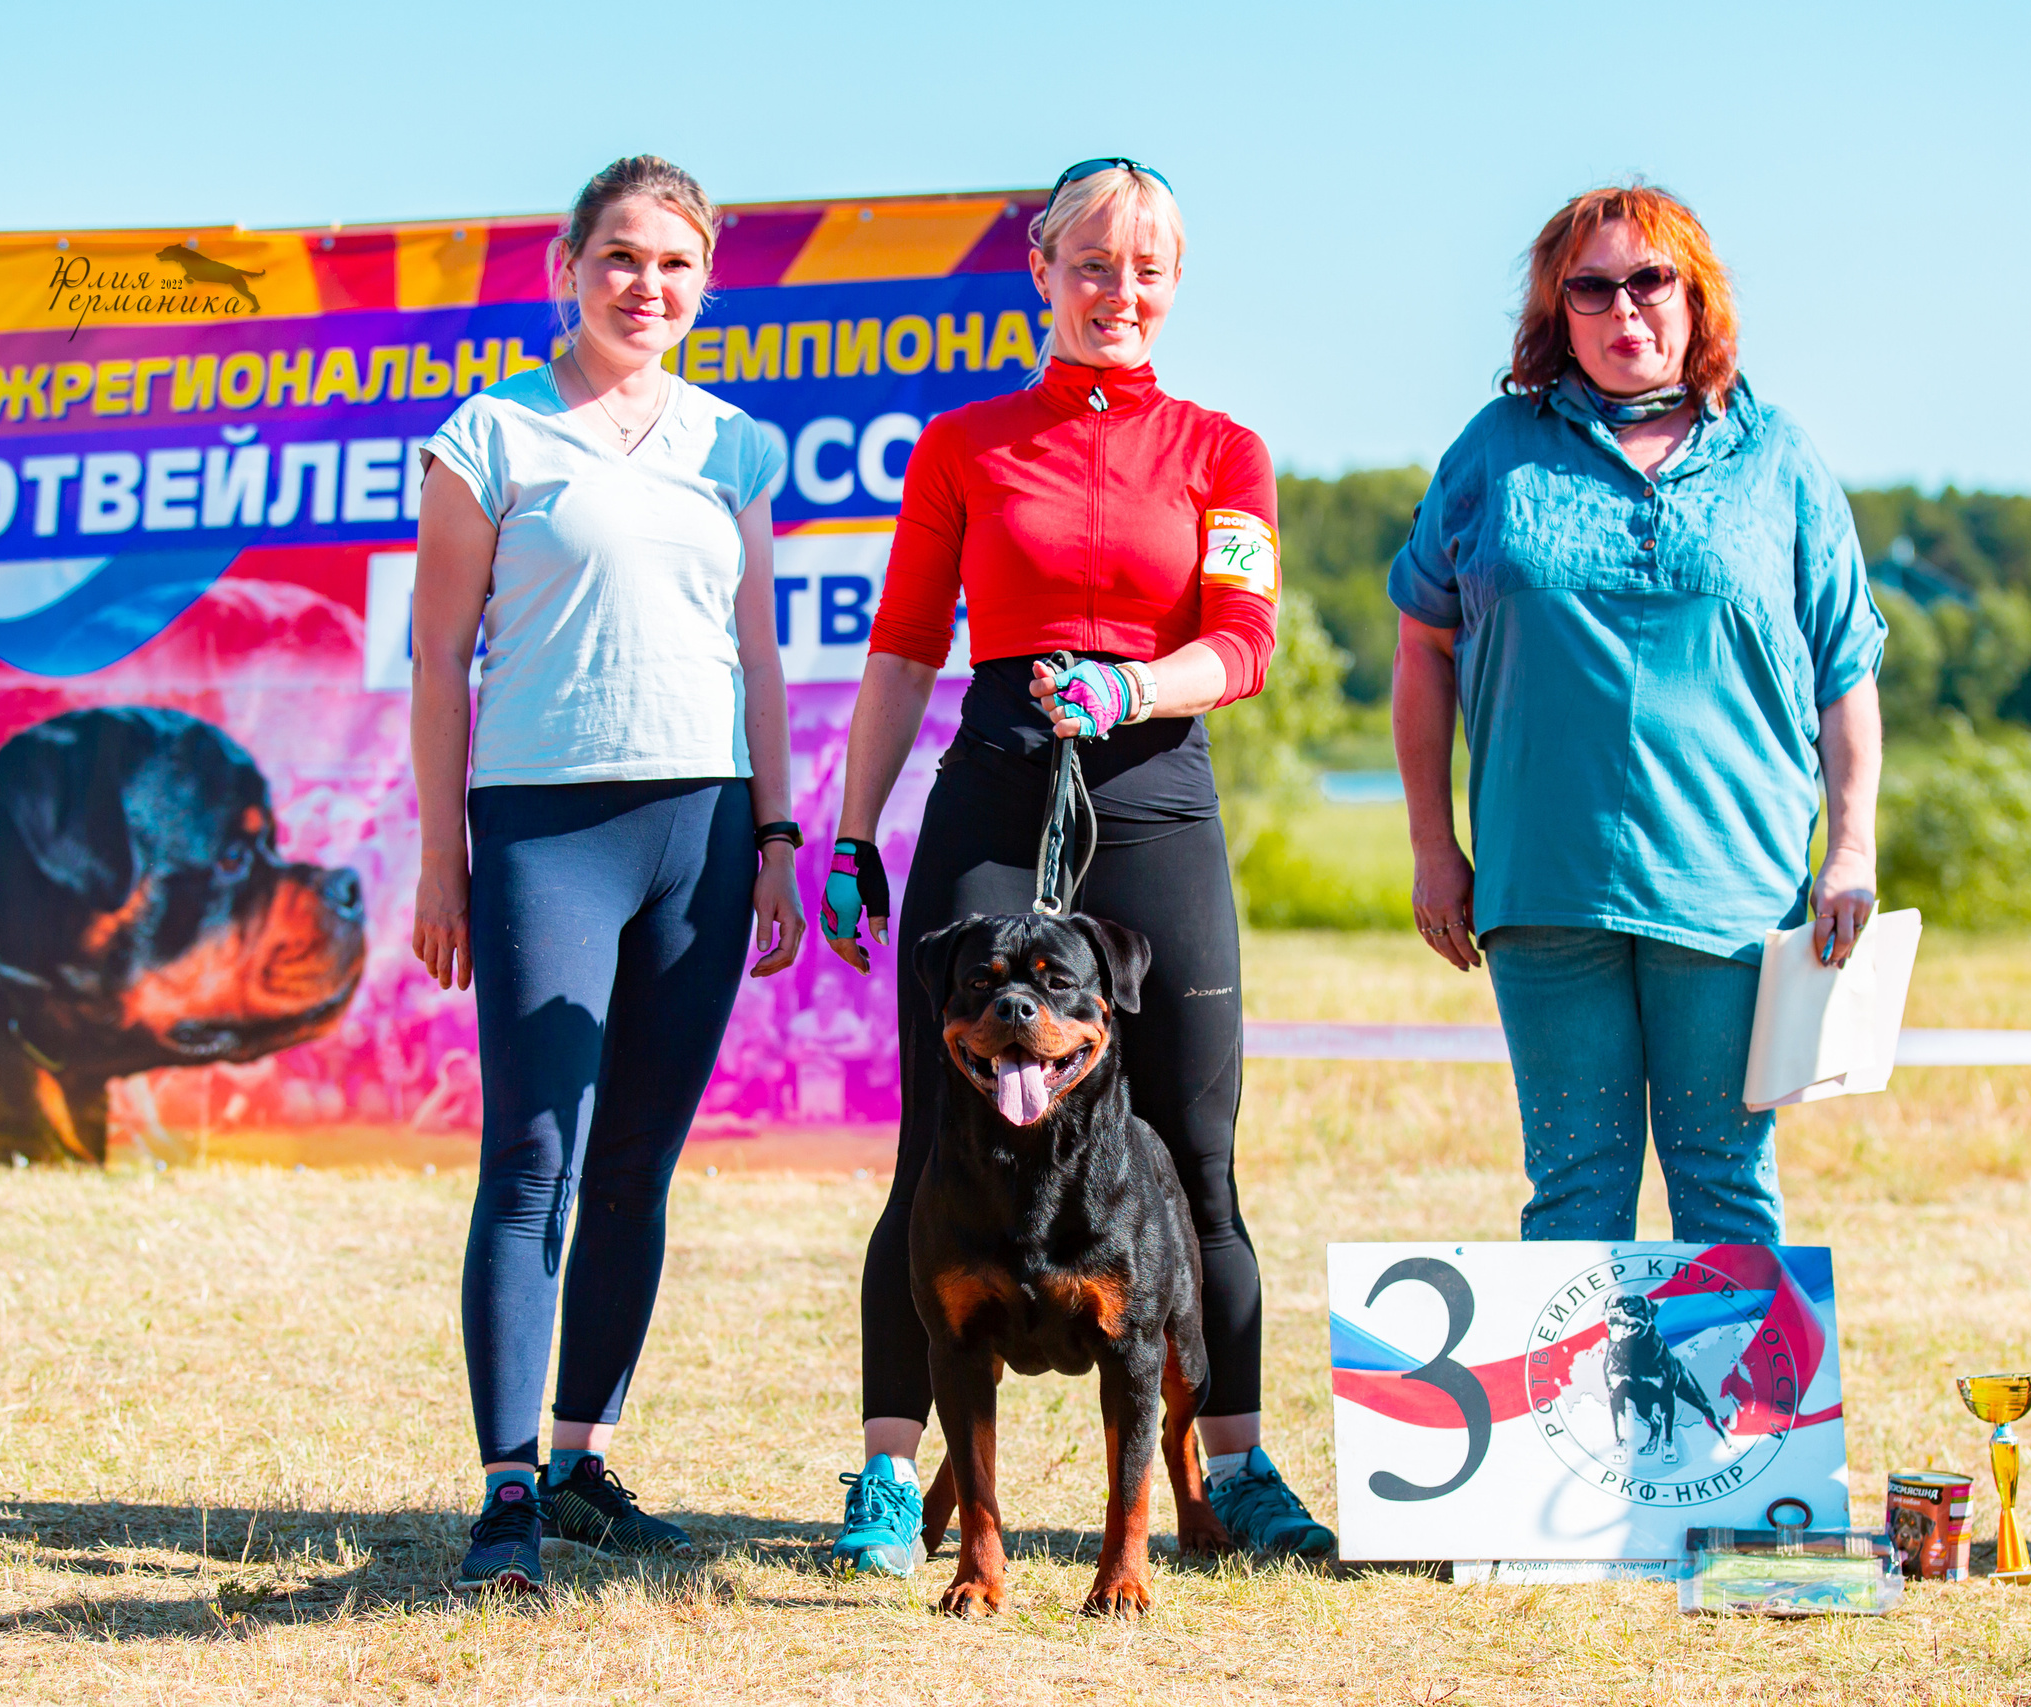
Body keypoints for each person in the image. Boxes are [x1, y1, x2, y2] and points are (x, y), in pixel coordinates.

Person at [816, 159, 1337, 1574]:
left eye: (1147, 267)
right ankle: (884, 1471)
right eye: (1091, 263)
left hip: (1154, 787)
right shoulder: (966, 442)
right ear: (1039, 269)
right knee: (937, 1145)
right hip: (994, 784)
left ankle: (1238, 1464)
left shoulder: (1223, 450)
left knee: (1199, 1158)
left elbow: (1245, 641)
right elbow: (905, 647)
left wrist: (1135, 689)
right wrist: (855, 831)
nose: (1119, 291)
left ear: (1175, 284)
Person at [410, 154, 805, 1593]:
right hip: (541, 831)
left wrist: (772, 834)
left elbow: (759, 654)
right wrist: (443, 853)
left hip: (700, 834)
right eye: (622, 257)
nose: (649, 286)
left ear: (707, 285)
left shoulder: (737, 451)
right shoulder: (490, 438)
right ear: (567, 267)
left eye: (677, 265)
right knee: (532, 1161)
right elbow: (439, 659)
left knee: (636, 1162)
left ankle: (581, 1460)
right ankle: (505, 1483)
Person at [1388, 183, 1885, 1246]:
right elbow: (1422, 646)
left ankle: (1742, 1422)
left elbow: (1846, 670)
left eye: (1650, 282)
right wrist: (1435, 849)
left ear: (1696, 297)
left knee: (1726, 1187)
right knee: (1573, 1193)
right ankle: (1581, 1420)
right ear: (1554, 313)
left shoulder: (1779, 458)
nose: (1626, 313)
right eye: (1592, 290)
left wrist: (1849, 848)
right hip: (1543, 890)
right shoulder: (1494, 451)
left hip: (1730, 892)